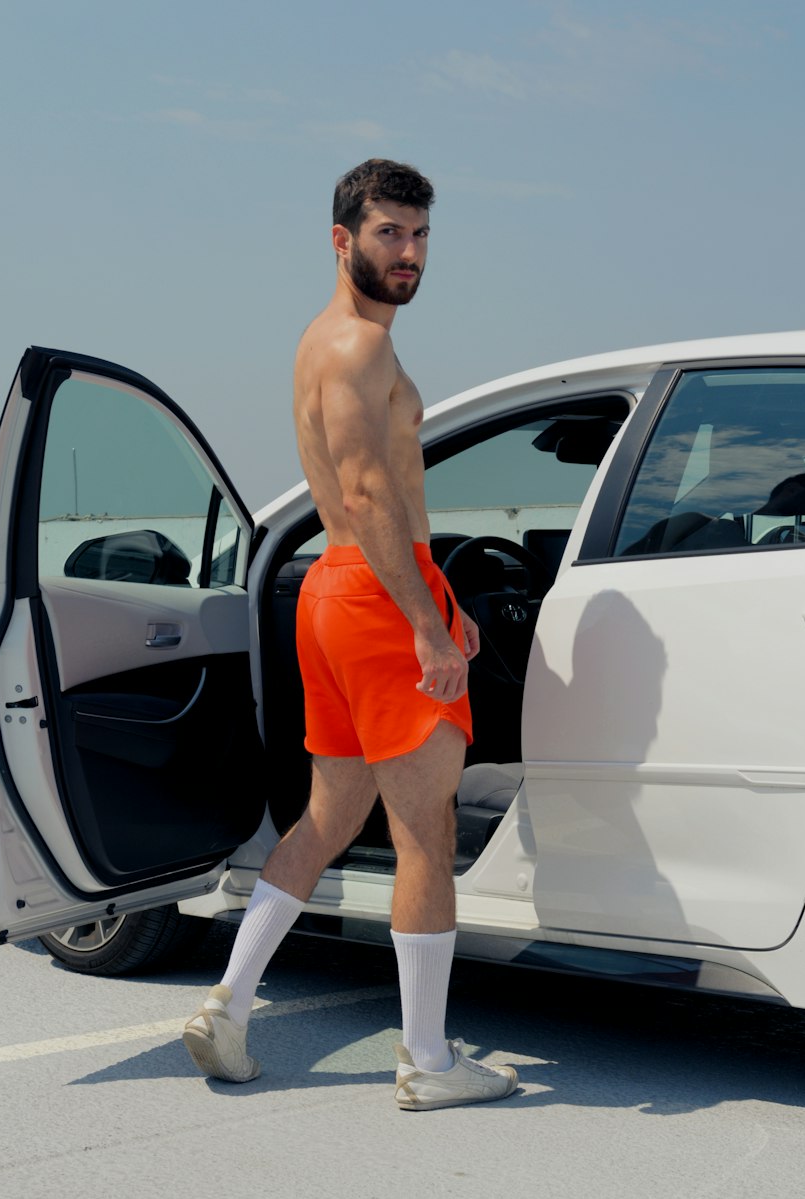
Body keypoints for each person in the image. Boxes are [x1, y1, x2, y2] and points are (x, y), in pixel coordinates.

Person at [183, 158, 518, 1111]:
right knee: (425, 833)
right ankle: (429, 1061)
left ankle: (229, 1007)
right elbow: (371, 493)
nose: (408, 253)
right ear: (342, 240)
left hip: (328, 592)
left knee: (329, 818)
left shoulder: (320, 342)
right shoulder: (362, 349)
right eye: (388, 234)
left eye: (419, 236)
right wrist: (431, 627)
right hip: (380, 596)